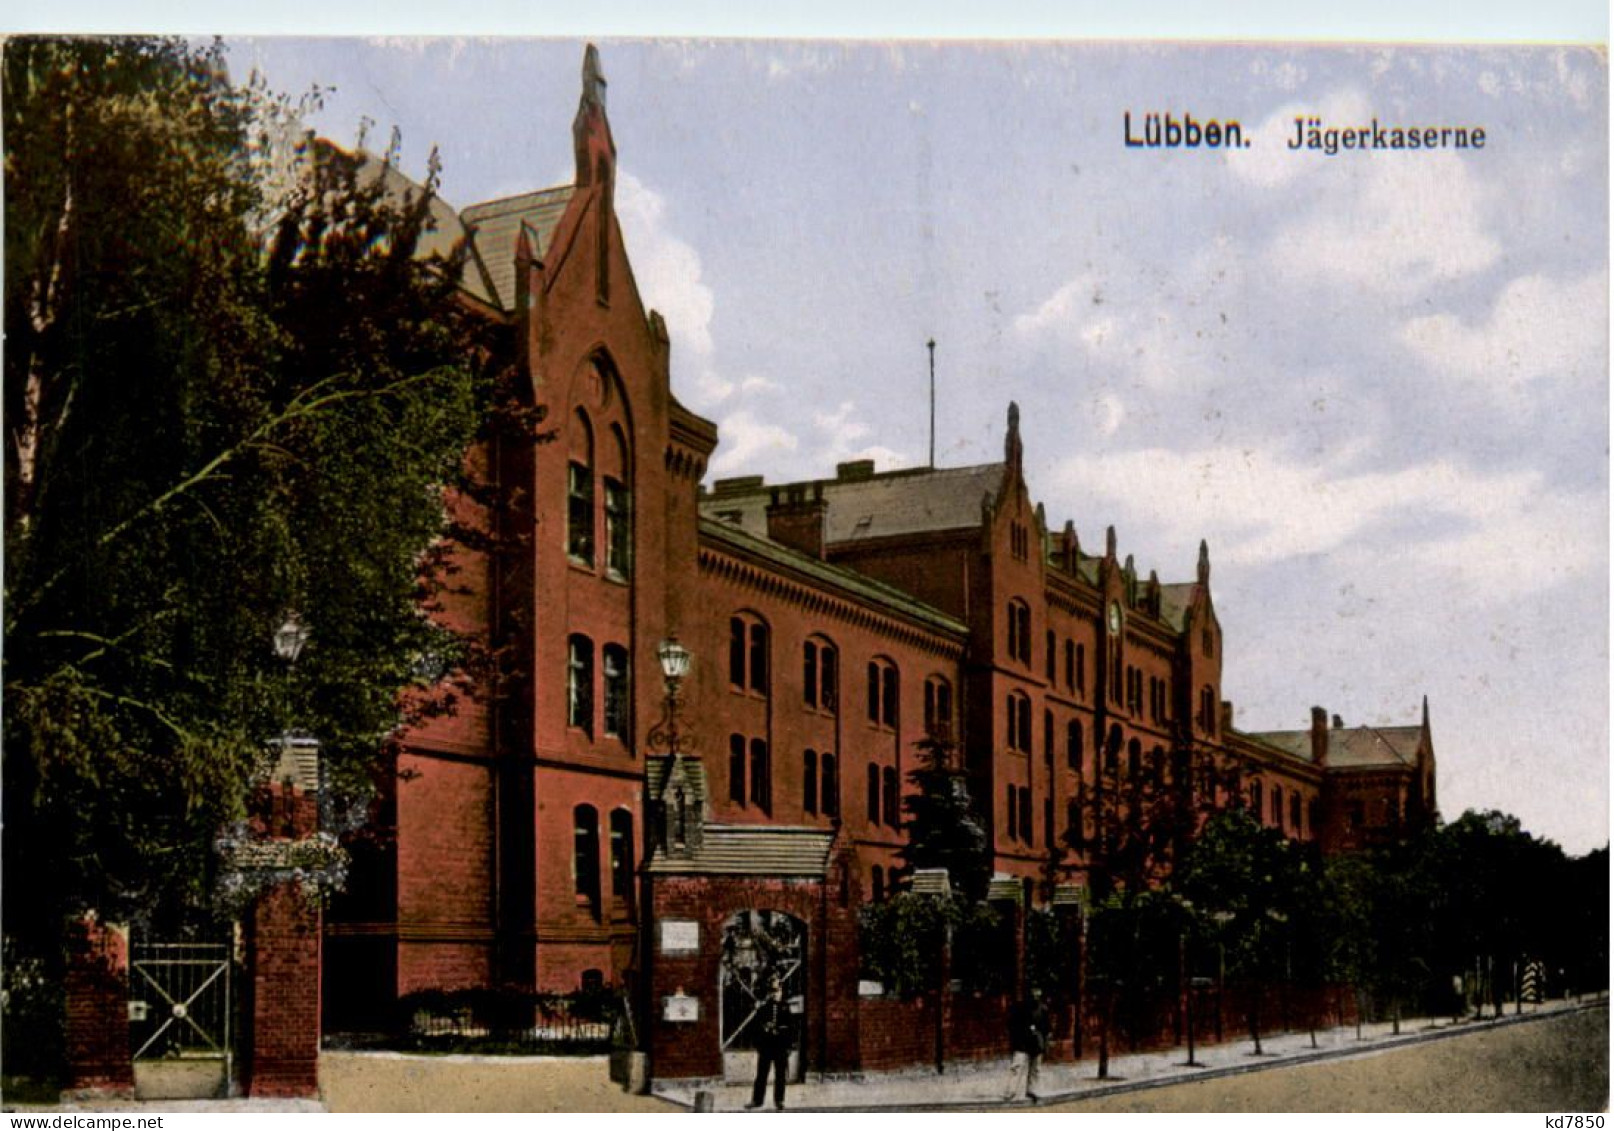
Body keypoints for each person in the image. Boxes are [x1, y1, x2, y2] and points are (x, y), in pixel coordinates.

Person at [745, 975, 794, 1111]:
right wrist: (760, 1042)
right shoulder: (764, 1008)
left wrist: (789, 1045)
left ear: (781, 991)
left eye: (777, 991)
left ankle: (779, 1100)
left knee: (780, 1075)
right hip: (766, 1046)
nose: (775, 994)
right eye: (772, 991)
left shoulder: (786, 1007)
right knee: (761, 1075)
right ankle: (757, 1100)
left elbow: (791, 1028)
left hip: (780, 1046)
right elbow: (756, 1027)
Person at [1005, 986, 1050, 1101]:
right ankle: (1011, 1091)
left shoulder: (1043, 1009)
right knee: (1017, 1067)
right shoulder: (1020, 1008)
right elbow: (1012, 1025)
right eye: (1034, 993)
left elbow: (1047, 1029)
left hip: (1036, 1043)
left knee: (1035, 1069)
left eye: (1037, 994)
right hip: (1022, 1042)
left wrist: (1044, 1042)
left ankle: (1031, 1090)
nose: (1035, 996)